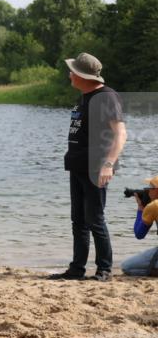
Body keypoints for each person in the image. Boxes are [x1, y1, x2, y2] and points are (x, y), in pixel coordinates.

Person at [49, 52, 126, 282]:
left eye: (73, 71)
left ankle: (104, 270)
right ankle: (76, 269)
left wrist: (108, 164)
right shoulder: (85, 97)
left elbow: (120, 134)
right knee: (79, 221)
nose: (70, 75)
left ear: (83, 75)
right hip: (78, 166)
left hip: (96, 167)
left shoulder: (106, 97)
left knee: (95, 219)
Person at [121, 175, 158, 276]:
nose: (147, 191)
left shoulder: (154, 206)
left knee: (126, 266)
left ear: (156, 190)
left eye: (150, 188)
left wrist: (140, 208)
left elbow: (139, 234)